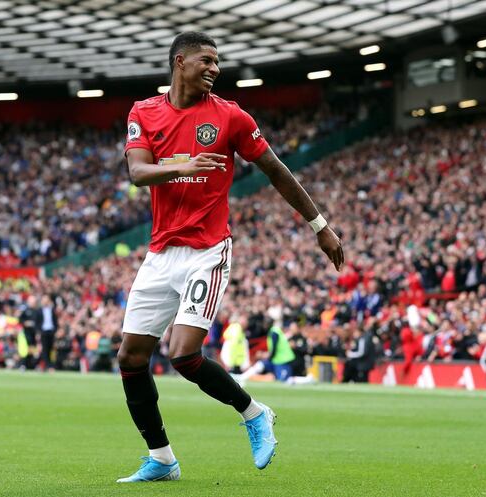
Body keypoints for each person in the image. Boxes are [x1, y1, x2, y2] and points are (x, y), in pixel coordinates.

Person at [115, 31, 344, 483]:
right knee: (131, 358)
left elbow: (276, 168)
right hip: (161, 252)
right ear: (179, 62)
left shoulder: (230, 117)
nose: (214, 69)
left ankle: (255, 413)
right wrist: (183, 166)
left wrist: (320, 226)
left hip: (207, 250)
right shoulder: (144, 111)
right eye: (206, 61)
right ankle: (162, 459)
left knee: (183, 354)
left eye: (218, 62)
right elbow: (138, 172)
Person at [37, 295, 58, 371]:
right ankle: (48, 365)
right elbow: (37, 322)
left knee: (50, 349)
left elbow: (55, 321)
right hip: (43, 332)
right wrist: (38, 332)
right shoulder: (39, 310)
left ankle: (48, 365)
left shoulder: (52, 310)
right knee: (45, 349)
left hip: (51, 331)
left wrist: (55, 330)